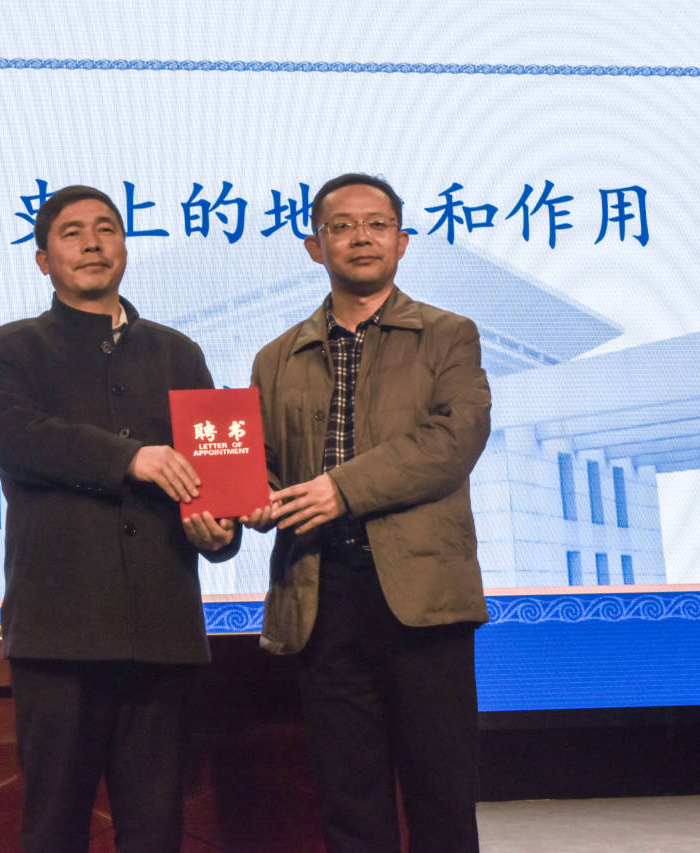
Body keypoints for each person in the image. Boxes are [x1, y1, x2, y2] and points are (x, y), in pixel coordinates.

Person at [0, 185, 239, 853]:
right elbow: (21, 439)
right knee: (55, 827)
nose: (92, 243)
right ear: (43, 260)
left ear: (124, 246)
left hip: (162, 630)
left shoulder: (179, 352)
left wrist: (221, 530)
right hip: (59, 635)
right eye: (72, 233)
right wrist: (132, 458)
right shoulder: (8, 350)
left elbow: (214, 472)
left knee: (156, 830)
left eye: (106, 229)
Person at [243, 173, 491, 852]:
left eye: (377, 224)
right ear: (314, 246)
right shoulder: (276, 356)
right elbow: (262, 463)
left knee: (441, 796)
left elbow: (454, 440)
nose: (361, 237)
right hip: (321, 592)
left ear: (402, 242)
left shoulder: (449, 336)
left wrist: (341, 489)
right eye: (342, 225)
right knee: (348, 802)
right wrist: (249, 499)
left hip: (423, 594)